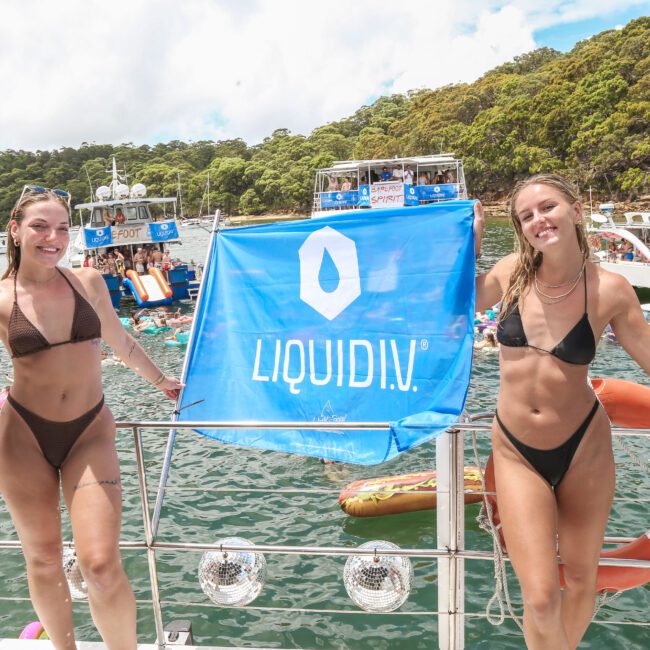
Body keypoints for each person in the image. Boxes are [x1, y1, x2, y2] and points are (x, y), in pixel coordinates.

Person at [0, 188, 182, 648]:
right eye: (40, 226)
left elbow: (121, 343)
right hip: (21, 434)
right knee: (42, 558)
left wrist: (162, 381)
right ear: (16, 231)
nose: (53, 237)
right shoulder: (2, 297)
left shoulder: (88, 283)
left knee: (100, 563)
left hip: (88, 431)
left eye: (63, 228)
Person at [473, 174, 650, 648]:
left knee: (581, 579)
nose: (538, 220)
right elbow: (460, 300)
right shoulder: (512, 272)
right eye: (526, 216)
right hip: (515, 450)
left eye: (547, 207)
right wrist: (469, 246)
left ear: (575, 210)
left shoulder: (610, 289)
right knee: (540, 597)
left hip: (584, 449)